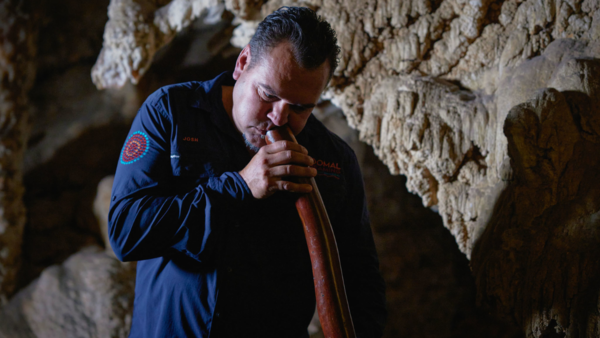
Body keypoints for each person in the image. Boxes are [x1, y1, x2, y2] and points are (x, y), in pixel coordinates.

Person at [109, 6, 386, 338]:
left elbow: (360, 279)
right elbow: (126, 232)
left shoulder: (333, 160)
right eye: (268, 95)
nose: (279, 118)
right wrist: (240, 186)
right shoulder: (170, 111)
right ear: (242, 64)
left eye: (300, 107)